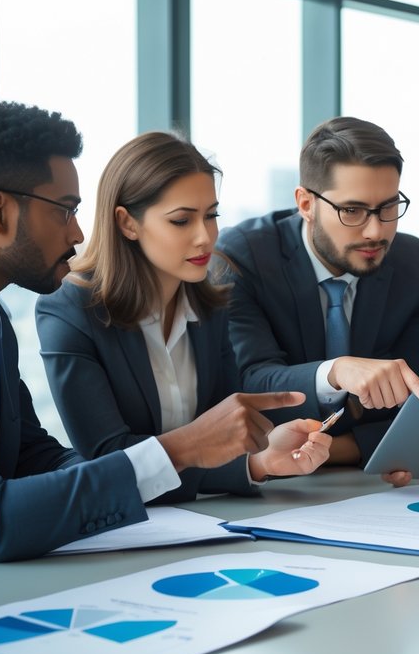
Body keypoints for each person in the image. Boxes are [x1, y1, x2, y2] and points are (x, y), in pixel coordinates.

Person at [0, 102, 315, 562]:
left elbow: (35, 459)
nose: (77, 233)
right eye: (65, 211)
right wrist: (178, 449)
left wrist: (191, 466)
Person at [36, 132, 332, 503]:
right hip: (125, 527)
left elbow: (225, 437)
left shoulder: (213, 302)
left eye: (211, 215)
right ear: (127, 223)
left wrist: (262, 456)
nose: (205, 237)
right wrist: (247, 463)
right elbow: (109, 457)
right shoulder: (70, 310)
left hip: (207, 519)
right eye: (181, 220)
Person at [217, 117, 419, 472]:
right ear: (306, 204)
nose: (375, 230)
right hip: (268, 481)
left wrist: (344, 450)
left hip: (372, 477)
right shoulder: (242, 256)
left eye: (388, 207)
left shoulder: (414, 264)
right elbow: (249, 384)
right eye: (352, 210)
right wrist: (336, 372)